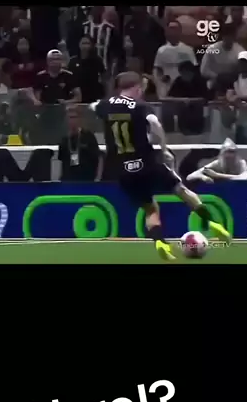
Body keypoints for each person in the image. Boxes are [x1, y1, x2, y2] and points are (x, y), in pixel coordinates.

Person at [90, 71, 231, 262]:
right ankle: (213, 223)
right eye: (141, 88)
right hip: (146, 163)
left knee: (150, 209)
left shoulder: (105, 105)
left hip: (122, 170)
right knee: (181, 190)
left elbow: (93, 106)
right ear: (136, 87)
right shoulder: (140, 106)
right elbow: (154, 123)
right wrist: (164, 149)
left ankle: (160, 242)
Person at [58, 105, 103, 182]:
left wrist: (98, 178)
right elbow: (62, 160)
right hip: (68, 179)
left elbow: (99, 157)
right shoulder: (64, 139)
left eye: (74, 117)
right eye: (70, 117)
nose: (72, 120)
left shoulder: (88, 135)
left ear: (79, 119)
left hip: (86, 178)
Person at [153, 21, 196, 95]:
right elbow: (157, 69)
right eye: (171, 29)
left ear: (180, 31)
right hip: (166, 85)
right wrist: (159, 81)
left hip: (184, 86)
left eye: (175, 29)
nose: (173, 32)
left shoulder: (188, 50)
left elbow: (194, 68)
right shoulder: (161, 50)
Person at [68, 35, 105, 104]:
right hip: (78, 97)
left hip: (94, 96)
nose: (85, 46)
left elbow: (104, 77)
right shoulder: (73, 61)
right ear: (79, 45)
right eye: (83, 43)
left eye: (87, 43)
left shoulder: (97, 60)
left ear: (91, 45)